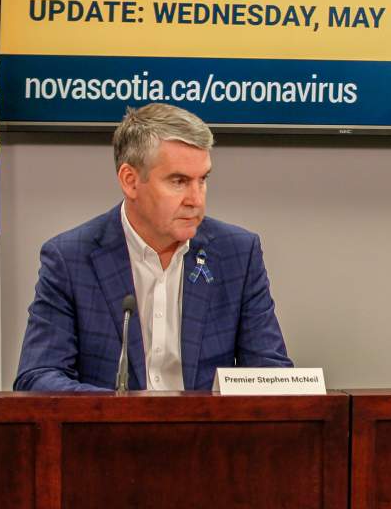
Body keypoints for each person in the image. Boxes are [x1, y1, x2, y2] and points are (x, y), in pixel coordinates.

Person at [15, 103, 291, 391]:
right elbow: (38, 377)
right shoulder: (71, 259)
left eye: (203, 180)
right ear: (130, 181)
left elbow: (271, 375)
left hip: (207, 434)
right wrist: (127, 414)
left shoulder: (237, 254)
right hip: (109, 432)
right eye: (179, 181)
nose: (196, 199)